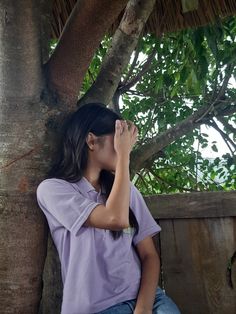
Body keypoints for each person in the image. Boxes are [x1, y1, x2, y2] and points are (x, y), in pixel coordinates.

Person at [36, 103, 181, 314]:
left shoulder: (125, 189)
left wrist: (143, 308)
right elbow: (115, 219)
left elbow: (149, 255)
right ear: (91, 141)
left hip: (147, 299)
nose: (126, 148)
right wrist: (124, 157)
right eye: (119, 141)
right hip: (97, 307)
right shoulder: (53, 190)